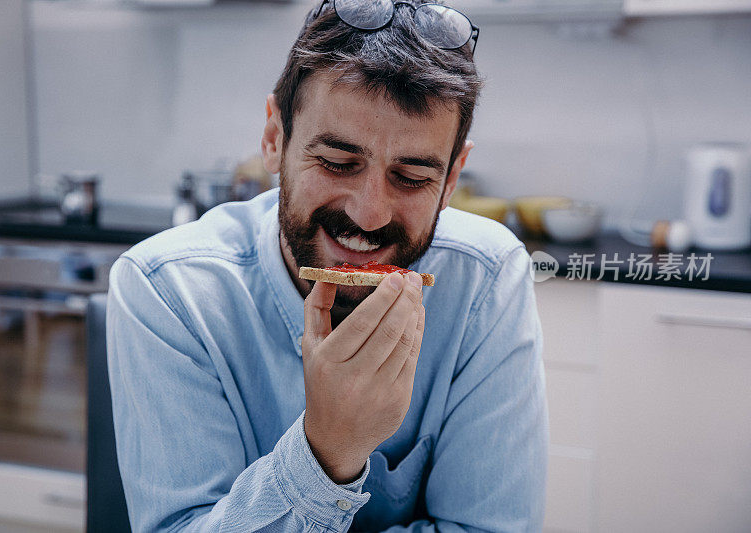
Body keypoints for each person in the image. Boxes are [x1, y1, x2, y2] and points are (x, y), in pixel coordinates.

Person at [106, 0, 548, 531]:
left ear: (452, 179)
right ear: (275, 139)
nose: (368, 214)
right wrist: (330, 448)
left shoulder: (487, 279)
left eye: (411, 177)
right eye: (338, 163)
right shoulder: (167, 290)